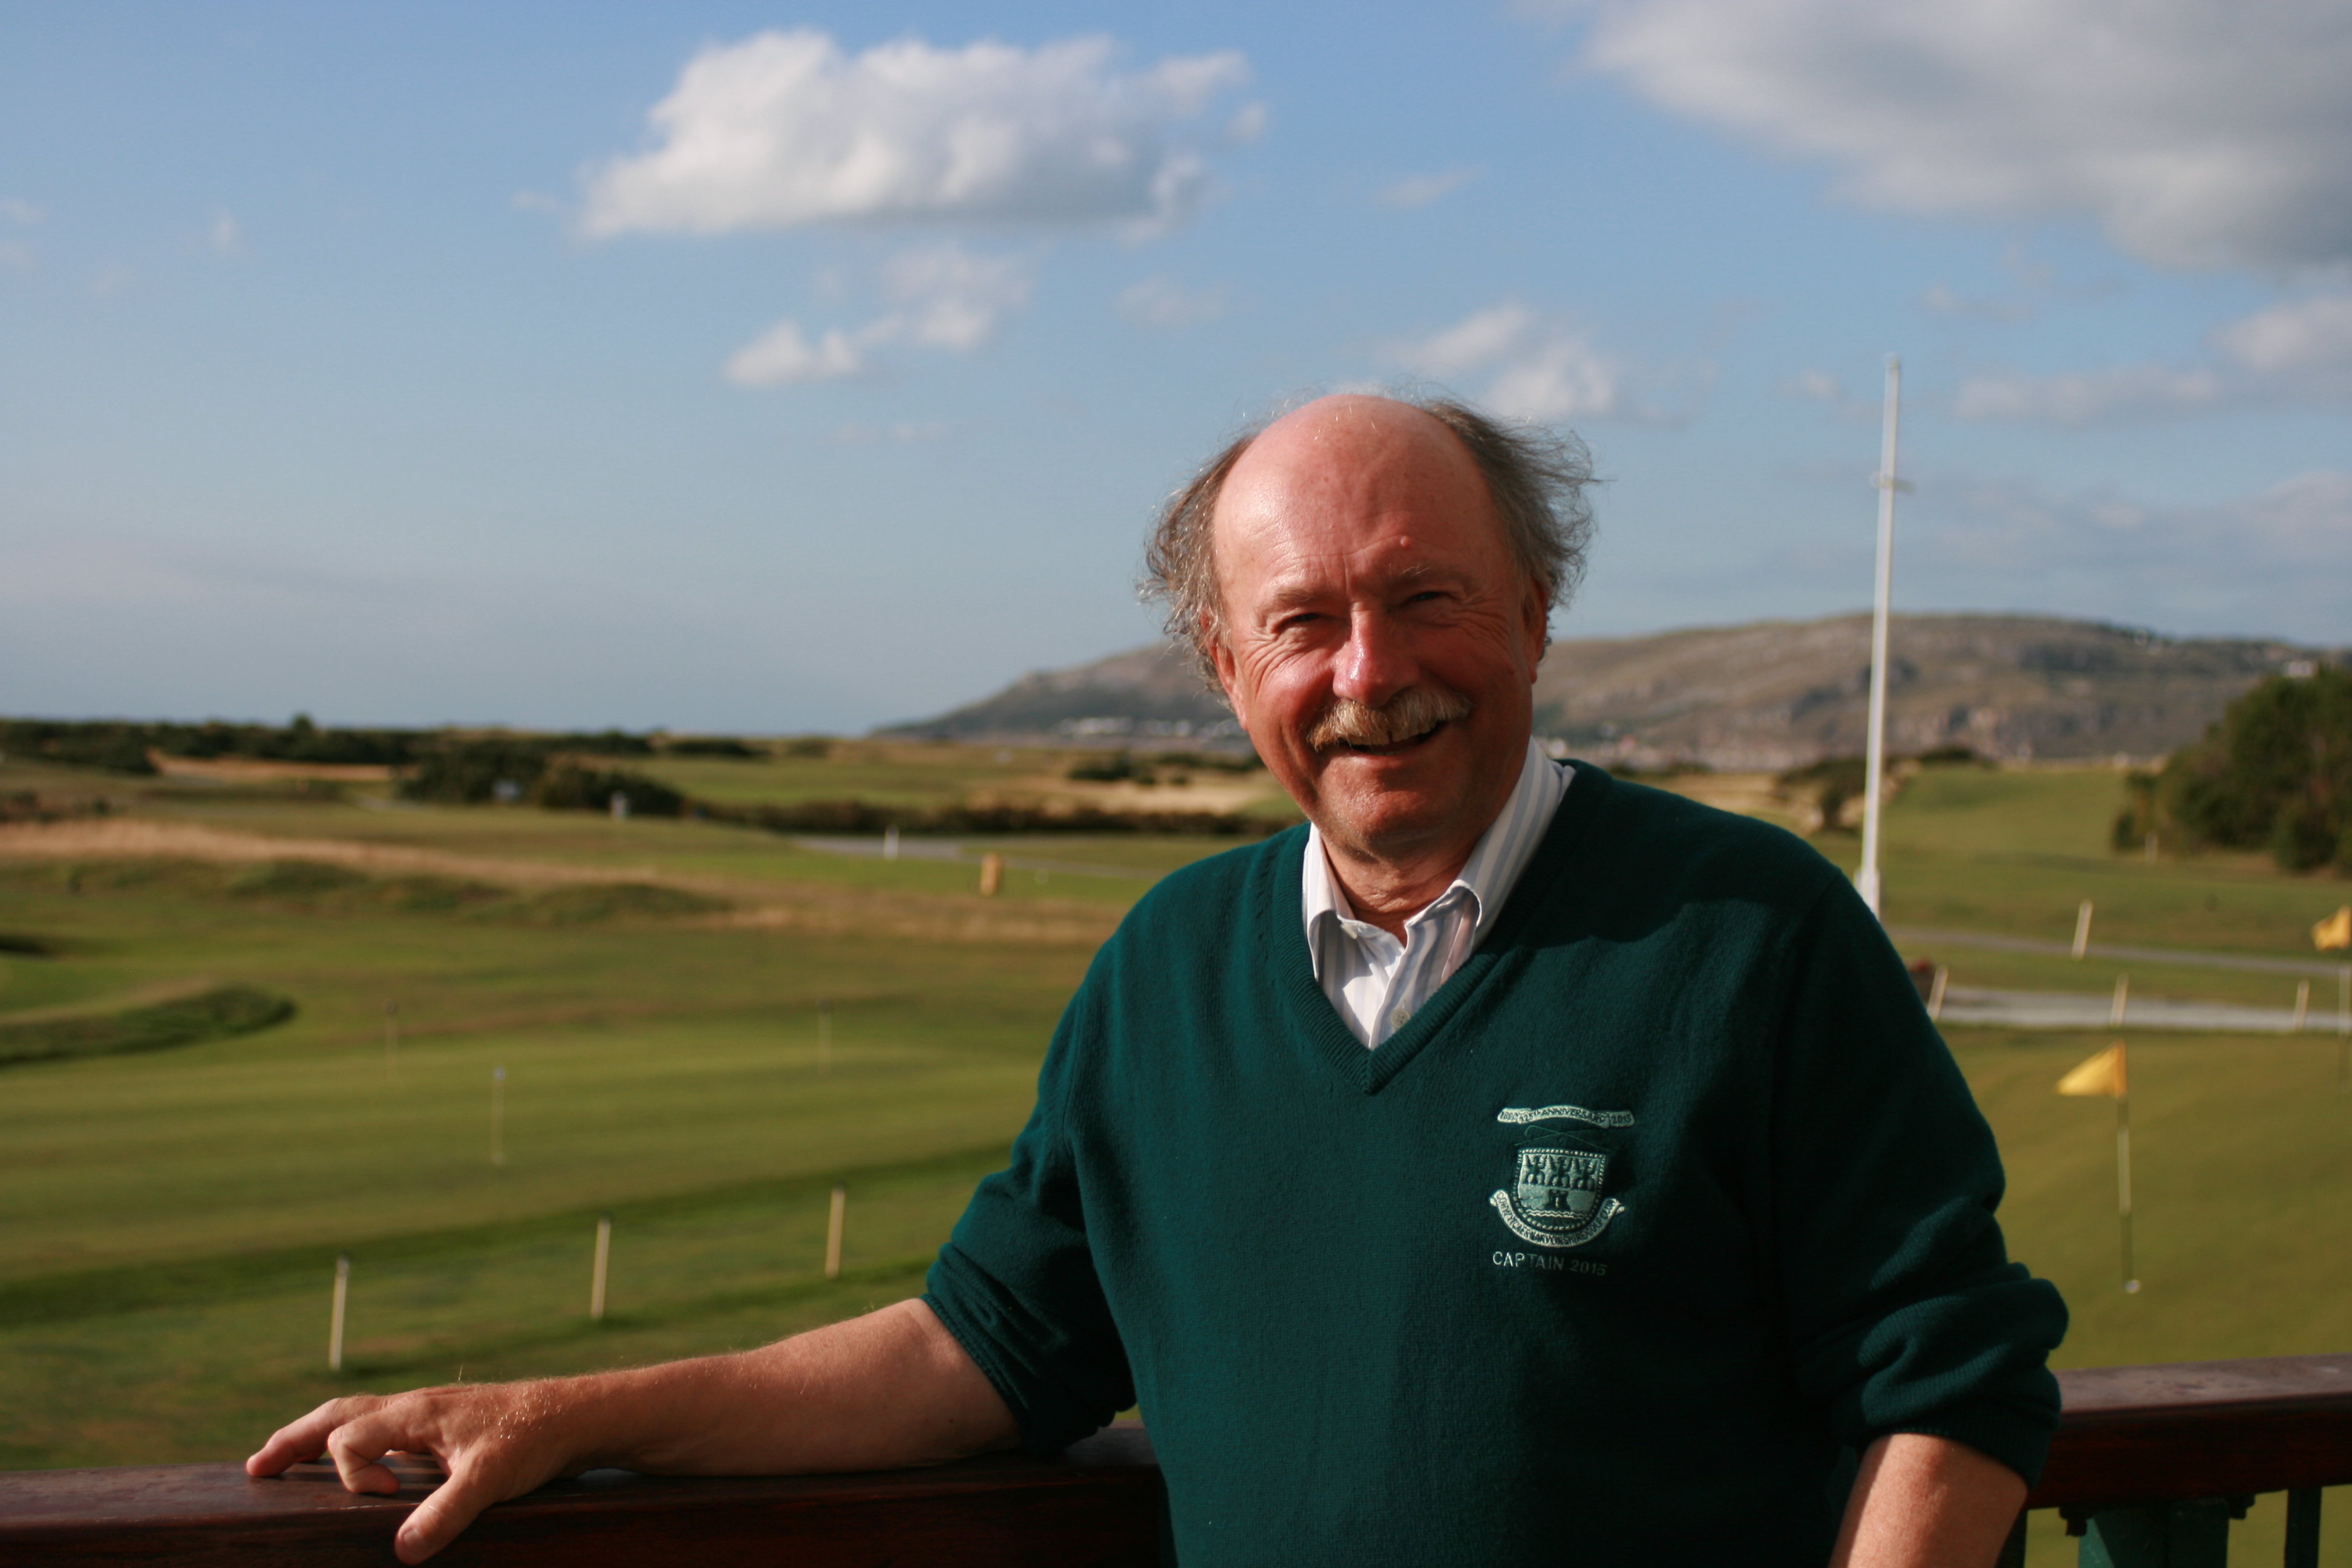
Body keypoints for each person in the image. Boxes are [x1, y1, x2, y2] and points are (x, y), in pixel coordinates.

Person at [250, 393, 2065, 1567]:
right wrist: (565, 1416)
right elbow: (979, 1351)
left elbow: (1954, 1380)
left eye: (1429, 598)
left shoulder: (1746, 928)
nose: (1373, 669)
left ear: (1534, 611)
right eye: (1305, 623)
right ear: (1225, 665)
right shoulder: (1168, 969)